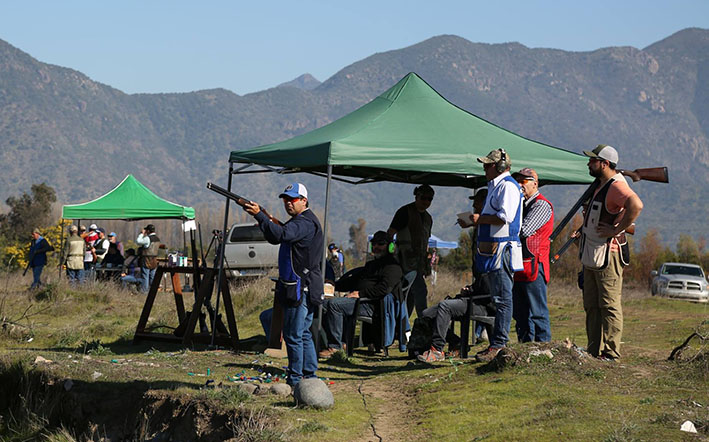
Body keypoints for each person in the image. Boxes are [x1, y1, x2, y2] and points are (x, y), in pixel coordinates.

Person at [243, 182, 324, 387]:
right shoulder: (299, 221)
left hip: (300, 287)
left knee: (293, 335)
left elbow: (282, 234)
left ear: (304, 201)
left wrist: (260, 216)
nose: (288, 203)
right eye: (286, 199)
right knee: (302, 333)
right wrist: (265, 220)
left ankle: (296, 379)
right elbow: (276, 237)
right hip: (300, 285)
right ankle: (309, 375)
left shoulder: (304, 222)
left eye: (292, 199)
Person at [580, 145, 643, 361]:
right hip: (594, 252)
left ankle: (610, 352)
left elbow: (636, 205)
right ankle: (593, 350)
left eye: (593, 161)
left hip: (608, 252)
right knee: (592, 304)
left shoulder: (615, 186)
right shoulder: (602, 184)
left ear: (605, 164)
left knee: (609, 304)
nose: (589, 164)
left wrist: (616, 230)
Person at [417, 190, 491, 362]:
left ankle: (436, 350)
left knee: (445, 306)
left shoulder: (491, 250)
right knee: (427, 313)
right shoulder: (479, 241)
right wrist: (470, 289)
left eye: (477, 202)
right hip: (475, 295)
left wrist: (472, 291)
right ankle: (456, 342)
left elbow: (489, 286)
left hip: (483, 302)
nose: (474, 206)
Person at [471, 149, 524, 362]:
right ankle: (497, 343)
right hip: (495, 249)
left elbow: (505, 217)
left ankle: (499, 343)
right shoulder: (498, 186)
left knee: (503, 298)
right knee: (499, 298)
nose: (485, 168)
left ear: (499, 166)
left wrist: (480, 219)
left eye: (488, 165)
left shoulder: (507, 186)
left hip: (502, 250)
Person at [319, 231, 403, 358]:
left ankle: (335, 348)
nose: (376, 247)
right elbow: (354, 281)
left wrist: (360, 294)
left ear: (390, 246)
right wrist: (334, 285)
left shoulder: (393, 267)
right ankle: (342, 342)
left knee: (334, 304)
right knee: (323, 304)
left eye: (381, 244)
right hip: (359, 301)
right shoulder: (372, 264)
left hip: (372, 305)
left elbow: (383, 289)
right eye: (374, 244)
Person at [511, 168, 554, 343]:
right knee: (520, 313)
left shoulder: (541, 205)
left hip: (535, 265)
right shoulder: (521, 205)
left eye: (523, 181)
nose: (519, 185)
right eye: (517, 181)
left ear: (535, 184)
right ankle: (525, 347)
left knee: (538, 312)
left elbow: (524, 230)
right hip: (521, 265)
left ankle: (543, 347)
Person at [388, 184, 434, 318]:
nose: (426, 201)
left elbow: (426, 241)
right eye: (423, 198)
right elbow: (390, 234)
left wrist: (426, 262)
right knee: (420, 291)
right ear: (416, 196)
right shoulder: (404, 212)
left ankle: (402, 324)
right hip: (404, 261)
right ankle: (423, 321)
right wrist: (391, 254)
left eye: (430, 199)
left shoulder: (428, 218)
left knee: (410, 296)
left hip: (419, 264)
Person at [136, 224, 162, 293]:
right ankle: (153, 291)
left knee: (145, 276)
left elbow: (138, 241)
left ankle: (145, 292)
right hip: (154, 260)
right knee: (152, 277)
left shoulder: (148, 238)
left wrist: (141, 234)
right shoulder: (157, 239)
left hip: (146, 260)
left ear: (148, 231)